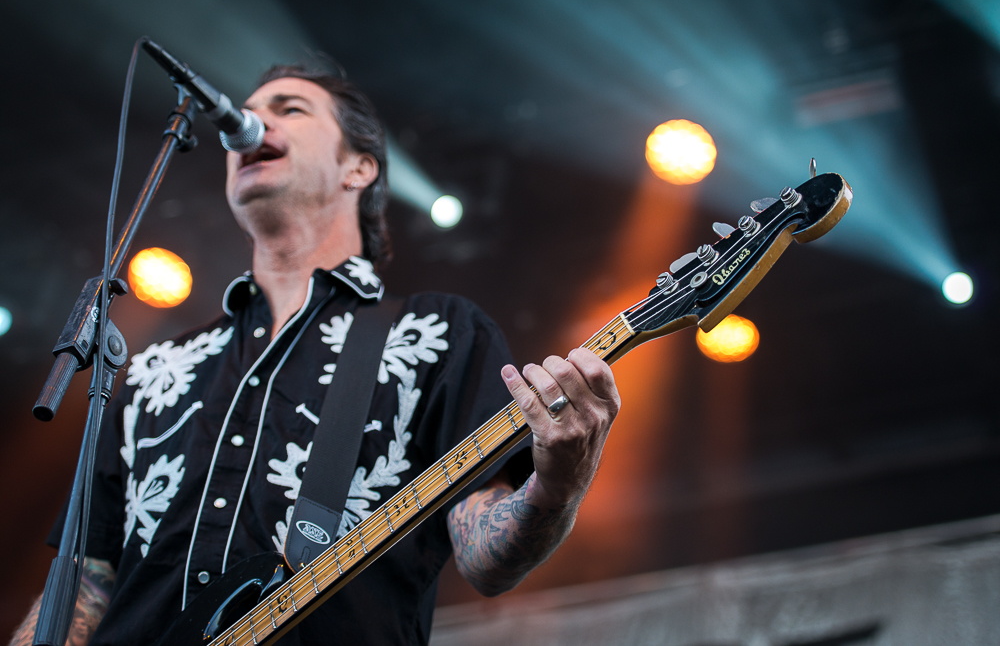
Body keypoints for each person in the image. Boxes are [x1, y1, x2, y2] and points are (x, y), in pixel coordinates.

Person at [11, 64, 620, 646]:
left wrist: (557, 487)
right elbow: (87, 580)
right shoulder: (154, 368)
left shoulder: (439, 333)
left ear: (358, 167)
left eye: (289, 109)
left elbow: (485, 558)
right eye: (246, 113)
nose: (248, 124)